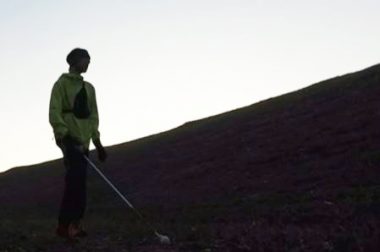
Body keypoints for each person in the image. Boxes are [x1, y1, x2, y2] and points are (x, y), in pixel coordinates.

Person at [49, 48, 107, 240]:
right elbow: (54, 111)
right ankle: (66, 225)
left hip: (84, 142)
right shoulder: (61, 85)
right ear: (74, 61)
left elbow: (93, 116)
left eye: (89, 60)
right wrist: (64, 135)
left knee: (79, 183)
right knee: (75, 181)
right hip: (69, 140)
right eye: (85, 59)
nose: (88, 63)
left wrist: (97, 142)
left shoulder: (90, 88)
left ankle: (72, 225)